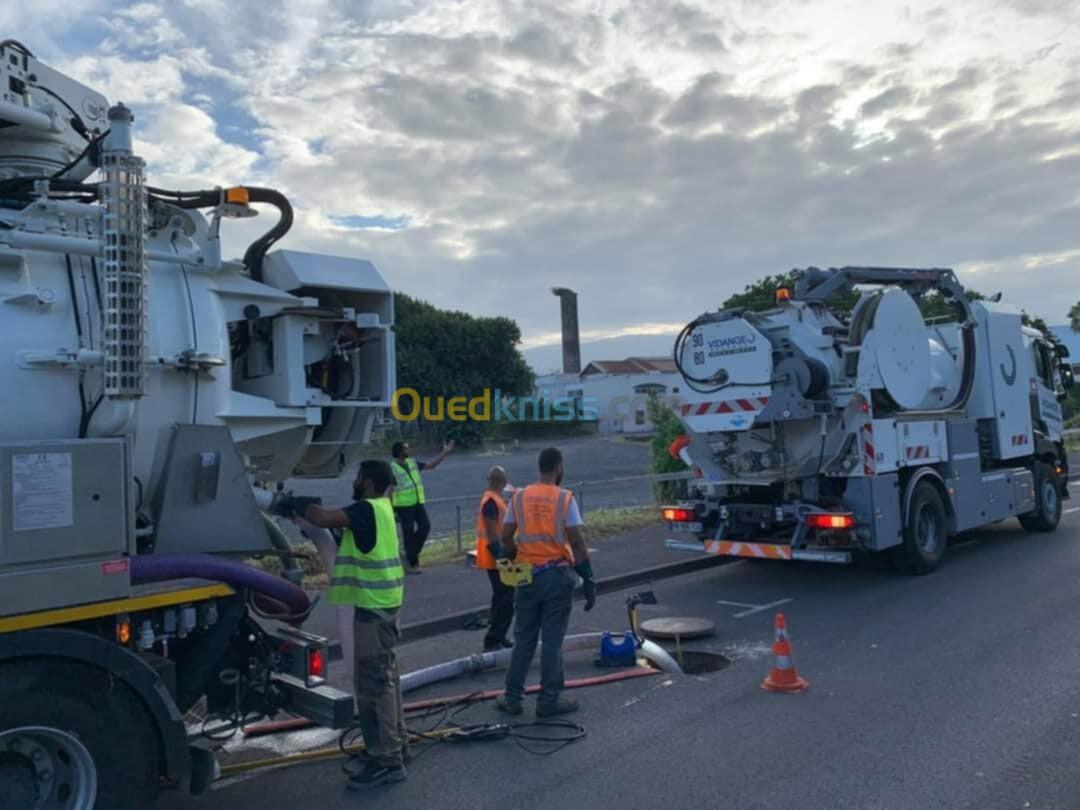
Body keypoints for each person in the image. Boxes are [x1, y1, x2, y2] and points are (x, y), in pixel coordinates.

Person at [274, 460, 408, 789]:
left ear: (369, 481)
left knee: (374, 687)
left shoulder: (366, 509)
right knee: (386, 682)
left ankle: (387, 760)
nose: (356, 480)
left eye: (359, 476)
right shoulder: (382, 509)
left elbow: (322, 518)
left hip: (373, 613)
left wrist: (293, 504)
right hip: (383, 608)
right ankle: (394, 746)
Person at [495, 447, 596, 718]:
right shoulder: (565, 499)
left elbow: (505, 538)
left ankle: (512, 697)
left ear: (539, 468)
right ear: (559, 468)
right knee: (552, 641)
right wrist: (588, 578)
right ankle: (549, 700)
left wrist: (516, 556)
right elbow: (576, 542)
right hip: (557, 576)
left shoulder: (519, 497)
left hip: (527, 576)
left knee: (524, 638)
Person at [390, 439, 454, 573]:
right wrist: (391, 509)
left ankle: (409, 556)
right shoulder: (392, 468)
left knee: (425, 526)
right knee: (408, 534)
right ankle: (412, 563)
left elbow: (431, 465)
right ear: (400, 452)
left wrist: (445, 453)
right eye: (406, 448)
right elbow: (390, 489)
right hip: (403, 505)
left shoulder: (412, 462)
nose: (409, 450)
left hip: (417, 502)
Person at [475, 465, 514, 651]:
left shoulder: (494, 500)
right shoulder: (491, 501)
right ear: (503, 482)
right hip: (495, 557)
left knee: (502, 598)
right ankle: (493, 639)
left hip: (495, 557)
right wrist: (503, 560)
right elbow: (492, 534)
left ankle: (498, 636)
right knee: (506, 599)